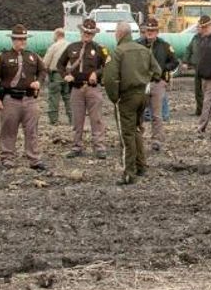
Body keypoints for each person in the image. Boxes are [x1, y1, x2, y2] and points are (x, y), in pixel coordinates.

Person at [104, 22, 161, 184]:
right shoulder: (144, 50)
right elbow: (157, 71)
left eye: (116, 32)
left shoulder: (118, 52)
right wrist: (145, 81)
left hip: (126, 97)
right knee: (136, 130)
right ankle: (141, 165)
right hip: (143, 95)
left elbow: (110, 78)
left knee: (126, 134)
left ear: (119, 34)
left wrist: (115, 97)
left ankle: (129, 172)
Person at [0, 24, 48, 171]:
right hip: (10, 99)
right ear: (13, 40)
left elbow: (43, 70)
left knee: (32, 130)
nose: (22, 41)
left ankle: (34, 159)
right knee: (8, 130)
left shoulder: (32, 56)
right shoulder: (3, 57)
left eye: (24, 39)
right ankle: (7, 158)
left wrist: (39, 82)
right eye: (19, 39)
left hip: (29, 98)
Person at [59, 19, 109, 158]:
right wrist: (65, 76)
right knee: (77, 119)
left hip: (93, 88)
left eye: (90, 33)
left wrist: (97, 73)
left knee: (96, 119)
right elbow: (60, 64)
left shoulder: (99, 49)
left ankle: (99, 147)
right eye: (85, 32)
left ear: (94, 34)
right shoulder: (71, 47)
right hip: (76, 88)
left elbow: (108, 65)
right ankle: (76, 147)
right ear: (81, 31)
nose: (87, 34)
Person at [137, 19, 179, 151]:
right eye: (148, 30)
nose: (150, 33)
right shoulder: (138, 45)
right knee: (139, 112)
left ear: (157, 31)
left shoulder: (164, 46)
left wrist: (163, 68)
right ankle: (137, 138)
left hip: (157, 82)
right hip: (142, 82)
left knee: (156, 114)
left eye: (152, 31)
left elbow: (175, 62)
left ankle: (157, 140)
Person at [43, 28, 72, 126]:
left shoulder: (53, 47)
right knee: (68, 97)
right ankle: (72, 119)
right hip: (69, 75)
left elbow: (45, 63)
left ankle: (54, 120)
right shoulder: (71, 46)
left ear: (56, 35)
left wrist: (47, 72)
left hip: (56, 75)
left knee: (54, 98)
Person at [184, 31, 204, 116]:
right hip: (197, 68)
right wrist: (185, 61)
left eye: (200, 26)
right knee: (198, 90)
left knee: (206, 91)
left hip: (207, 69)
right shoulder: (195, 38)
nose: (198, 28)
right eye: (198, 26)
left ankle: (207, 112)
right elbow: (189, 49)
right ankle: (199, 111)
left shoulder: (210, 38)